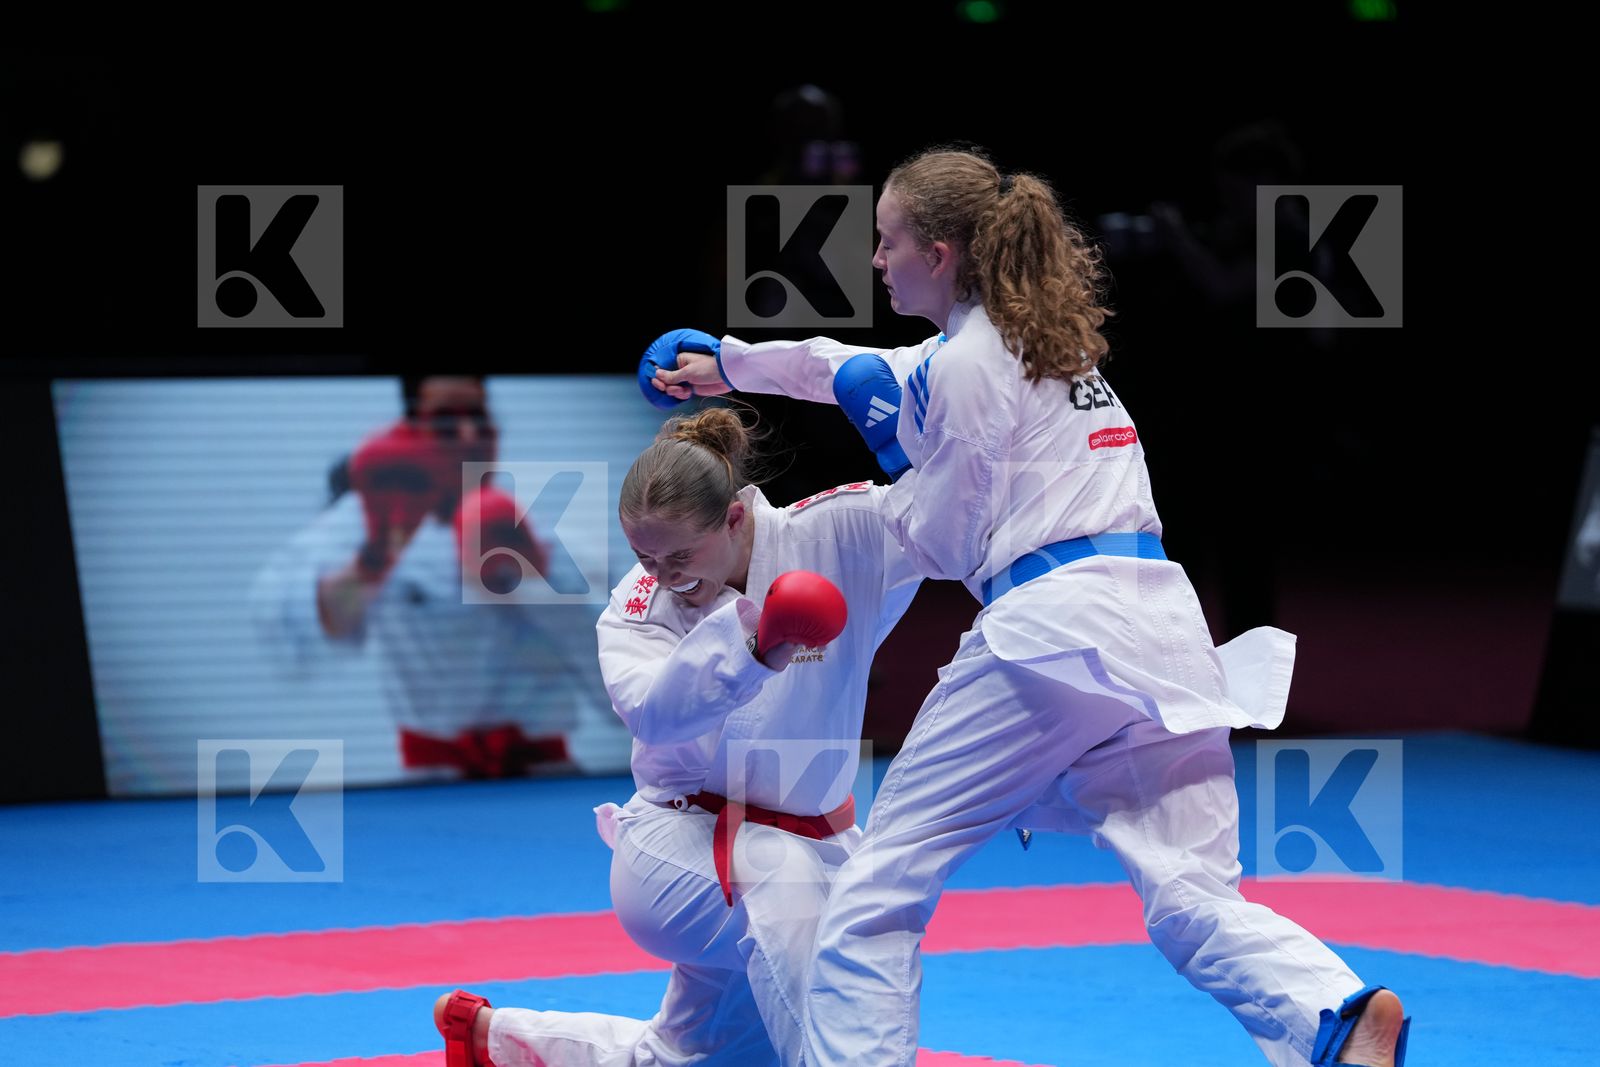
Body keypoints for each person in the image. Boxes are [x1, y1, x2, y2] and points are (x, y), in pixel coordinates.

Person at [645, 149, 1409, 1067]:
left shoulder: (964, 364)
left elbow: (938, 539)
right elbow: (837, 362)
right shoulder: (1045, 346)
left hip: (1050, 636)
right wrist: (727, 359)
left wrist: (893, 449)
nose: (877, 263)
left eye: (887, 244)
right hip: (1161, 632)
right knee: (1192, 895)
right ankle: (1334, 1008)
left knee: (876, 891)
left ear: (941, 249)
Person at [433, 407, 922, 1066]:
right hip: (681, 848)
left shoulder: (839, 532)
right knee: (821, 929)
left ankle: (495, 1041)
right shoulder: (636, 609)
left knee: (703, 1055)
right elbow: (655, 713)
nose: (663, 574)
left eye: (680, 554)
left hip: (809, 840)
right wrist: (755, 645)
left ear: (736, 518)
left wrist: (904, 451)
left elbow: (945, 524)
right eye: (645, 556)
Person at [248, 375, 630, 778]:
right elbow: (291, 634)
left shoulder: (559, 536)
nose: (467, 435)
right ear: (412, 432)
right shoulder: (364, 526)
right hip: (428, 784)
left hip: (546, 776)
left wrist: (533, 574)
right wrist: (377, 555)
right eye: (446, 421)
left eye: (479, 418)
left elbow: (626, 697)